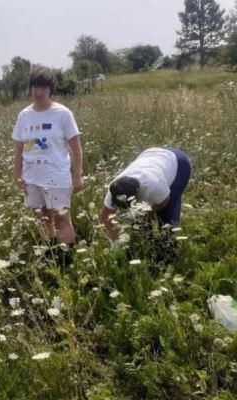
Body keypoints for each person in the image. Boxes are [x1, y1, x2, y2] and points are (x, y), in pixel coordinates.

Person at [12, 66, 84, 261]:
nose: (38, 92)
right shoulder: (24, 116)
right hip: (32, 178)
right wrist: (18, 175)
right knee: (43, 219)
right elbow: (19, 148)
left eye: (43, 87)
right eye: (35, 87)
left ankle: (67, 261)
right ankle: (51, 255)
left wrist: (77, 175)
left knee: (61, 219)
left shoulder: (62, 114)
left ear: (51, 89)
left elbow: (76, 148)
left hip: (57, 177)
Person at [99, 147, 192, 246]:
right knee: (140, 220)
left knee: (167, 217)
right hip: (150, 154)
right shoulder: (114, 187)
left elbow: (164, 202)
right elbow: (105, 217)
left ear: (138, 193)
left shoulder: (155, 185)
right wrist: (115, 243)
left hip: (178, 163)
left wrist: (144, 213)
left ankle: (168, 248)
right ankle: (148, 244)